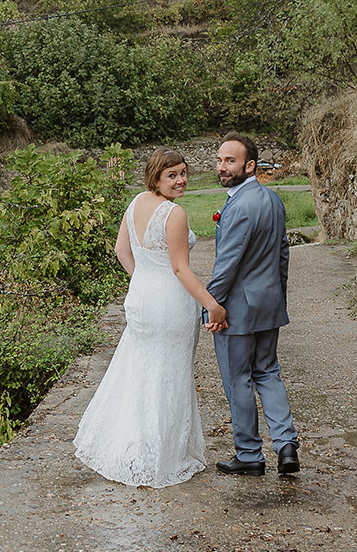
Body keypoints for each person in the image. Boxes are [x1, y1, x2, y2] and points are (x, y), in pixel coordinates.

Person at [74, 149, 229, 488]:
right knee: (168, 373)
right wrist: (212, 305)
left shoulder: (136, 203)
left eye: (184, 173)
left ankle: (130, 446)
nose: (181, 180)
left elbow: (122, 251)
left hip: (141, 298)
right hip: (169, 302)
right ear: (155, 177)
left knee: (142, 370)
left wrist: (142, 278)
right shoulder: (174, 214)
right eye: (172, 175)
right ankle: (160, 456)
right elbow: (179, 268)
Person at [207, 133, 299, 476]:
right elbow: (282, 255)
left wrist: (211, 307)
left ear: (250, 165)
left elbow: (226, 267)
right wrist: (278, 298)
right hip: (268, 305)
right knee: (268, 373)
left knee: (239, 380)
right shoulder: (273, 201)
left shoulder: (240, 207)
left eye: (230, 161)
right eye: (219, 160)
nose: (222, 167)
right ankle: (286, 444)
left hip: (237, 312)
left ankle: (248, 455)